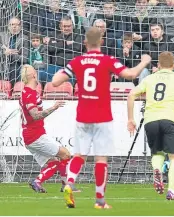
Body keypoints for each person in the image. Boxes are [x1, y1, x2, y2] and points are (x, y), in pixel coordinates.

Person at [51, 27, 151, 209]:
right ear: (102, 42)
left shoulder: (77, 61)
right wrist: (144, 61)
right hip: (102, 116)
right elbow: (131, 75)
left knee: (79, 154)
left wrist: (66, 72)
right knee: (101, 159)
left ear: (84, 43)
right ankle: (100, 201)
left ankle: (69, 182)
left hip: (83, 115)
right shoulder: (107, 60)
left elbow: (55, 82)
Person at [127, 51, 174, 200]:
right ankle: (171, 190)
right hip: (170, 119)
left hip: (151, 120)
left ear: (158, 65)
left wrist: (130, 118)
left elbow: (131, 94)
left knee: (157, 153)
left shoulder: (149, 78)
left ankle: (157, 169)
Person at [19, 65, 73, 193]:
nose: (37, 74)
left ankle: (37, 182)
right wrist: (54, 107)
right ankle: (66, 185)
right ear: (33, 76)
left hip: (32, 136)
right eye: (36, 72)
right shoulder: (29, 94)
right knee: (65, 154)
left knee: (54, 163)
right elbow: (35, 115)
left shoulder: (27, 92)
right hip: (35, 136)